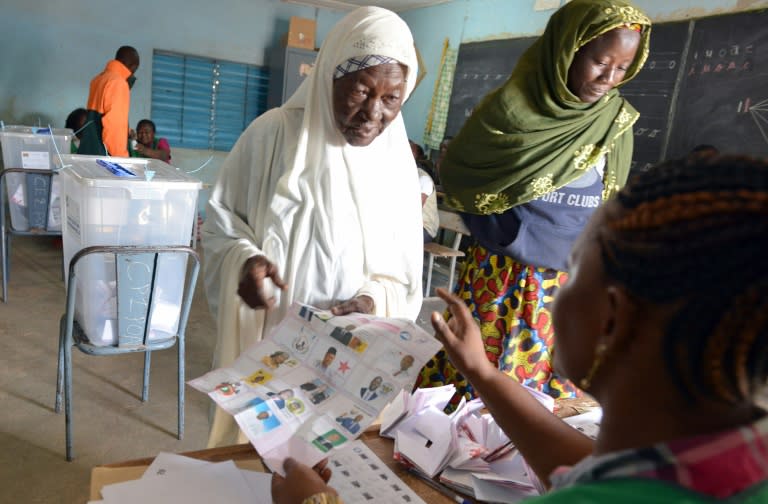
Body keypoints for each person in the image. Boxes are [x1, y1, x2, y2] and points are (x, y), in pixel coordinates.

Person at [271, 154, 768, 503]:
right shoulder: (736, 459)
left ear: (610, 319)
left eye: (573, 267)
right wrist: (483, 374)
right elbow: (585, 467)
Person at [201, 6, 423, 447]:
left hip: (350, 359)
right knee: (260, 461)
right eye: (361, 91)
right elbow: (221, 224)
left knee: (339, 466)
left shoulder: (396, 165)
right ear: (328, 76)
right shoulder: (273, 135)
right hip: (273, 340)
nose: (372, 113)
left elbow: (405, 277)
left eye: (391, 98)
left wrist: (373, 299)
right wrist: (245, 261)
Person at [416, 0, 651, 406]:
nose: (609, 78)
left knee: (548, 401)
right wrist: (515, 237)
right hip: (499, 277)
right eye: (600, 62)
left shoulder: (615, 123)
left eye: (623, 67)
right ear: (568, 50)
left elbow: (607, 208)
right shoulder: (510, 113)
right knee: (470, 395)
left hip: (564, 290)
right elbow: (463, 176)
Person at [81, 46, 140, 157]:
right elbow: (114, 126)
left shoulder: (98, 79)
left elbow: (98, 117)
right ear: (134, 67)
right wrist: (122, 159)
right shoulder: (119, 83)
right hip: (104, 156)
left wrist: (126, 130)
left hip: (89, 149)